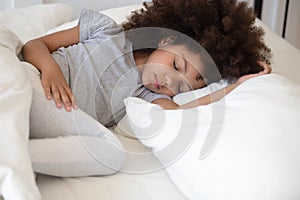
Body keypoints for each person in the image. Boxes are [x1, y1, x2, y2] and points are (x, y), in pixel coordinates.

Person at [22, 0, 271, 177]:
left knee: (111, 154)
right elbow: (33, 46)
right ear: (166, 40)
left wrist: (238, 84)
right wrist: (51, 70)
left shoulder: (144, 95)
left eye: (182, 86)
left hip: (57, 118)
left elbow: (182, 109)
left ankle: (18, 156)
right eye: (176, 64)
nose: (170, 81)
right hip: (32, 82)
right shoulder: (106, 31)